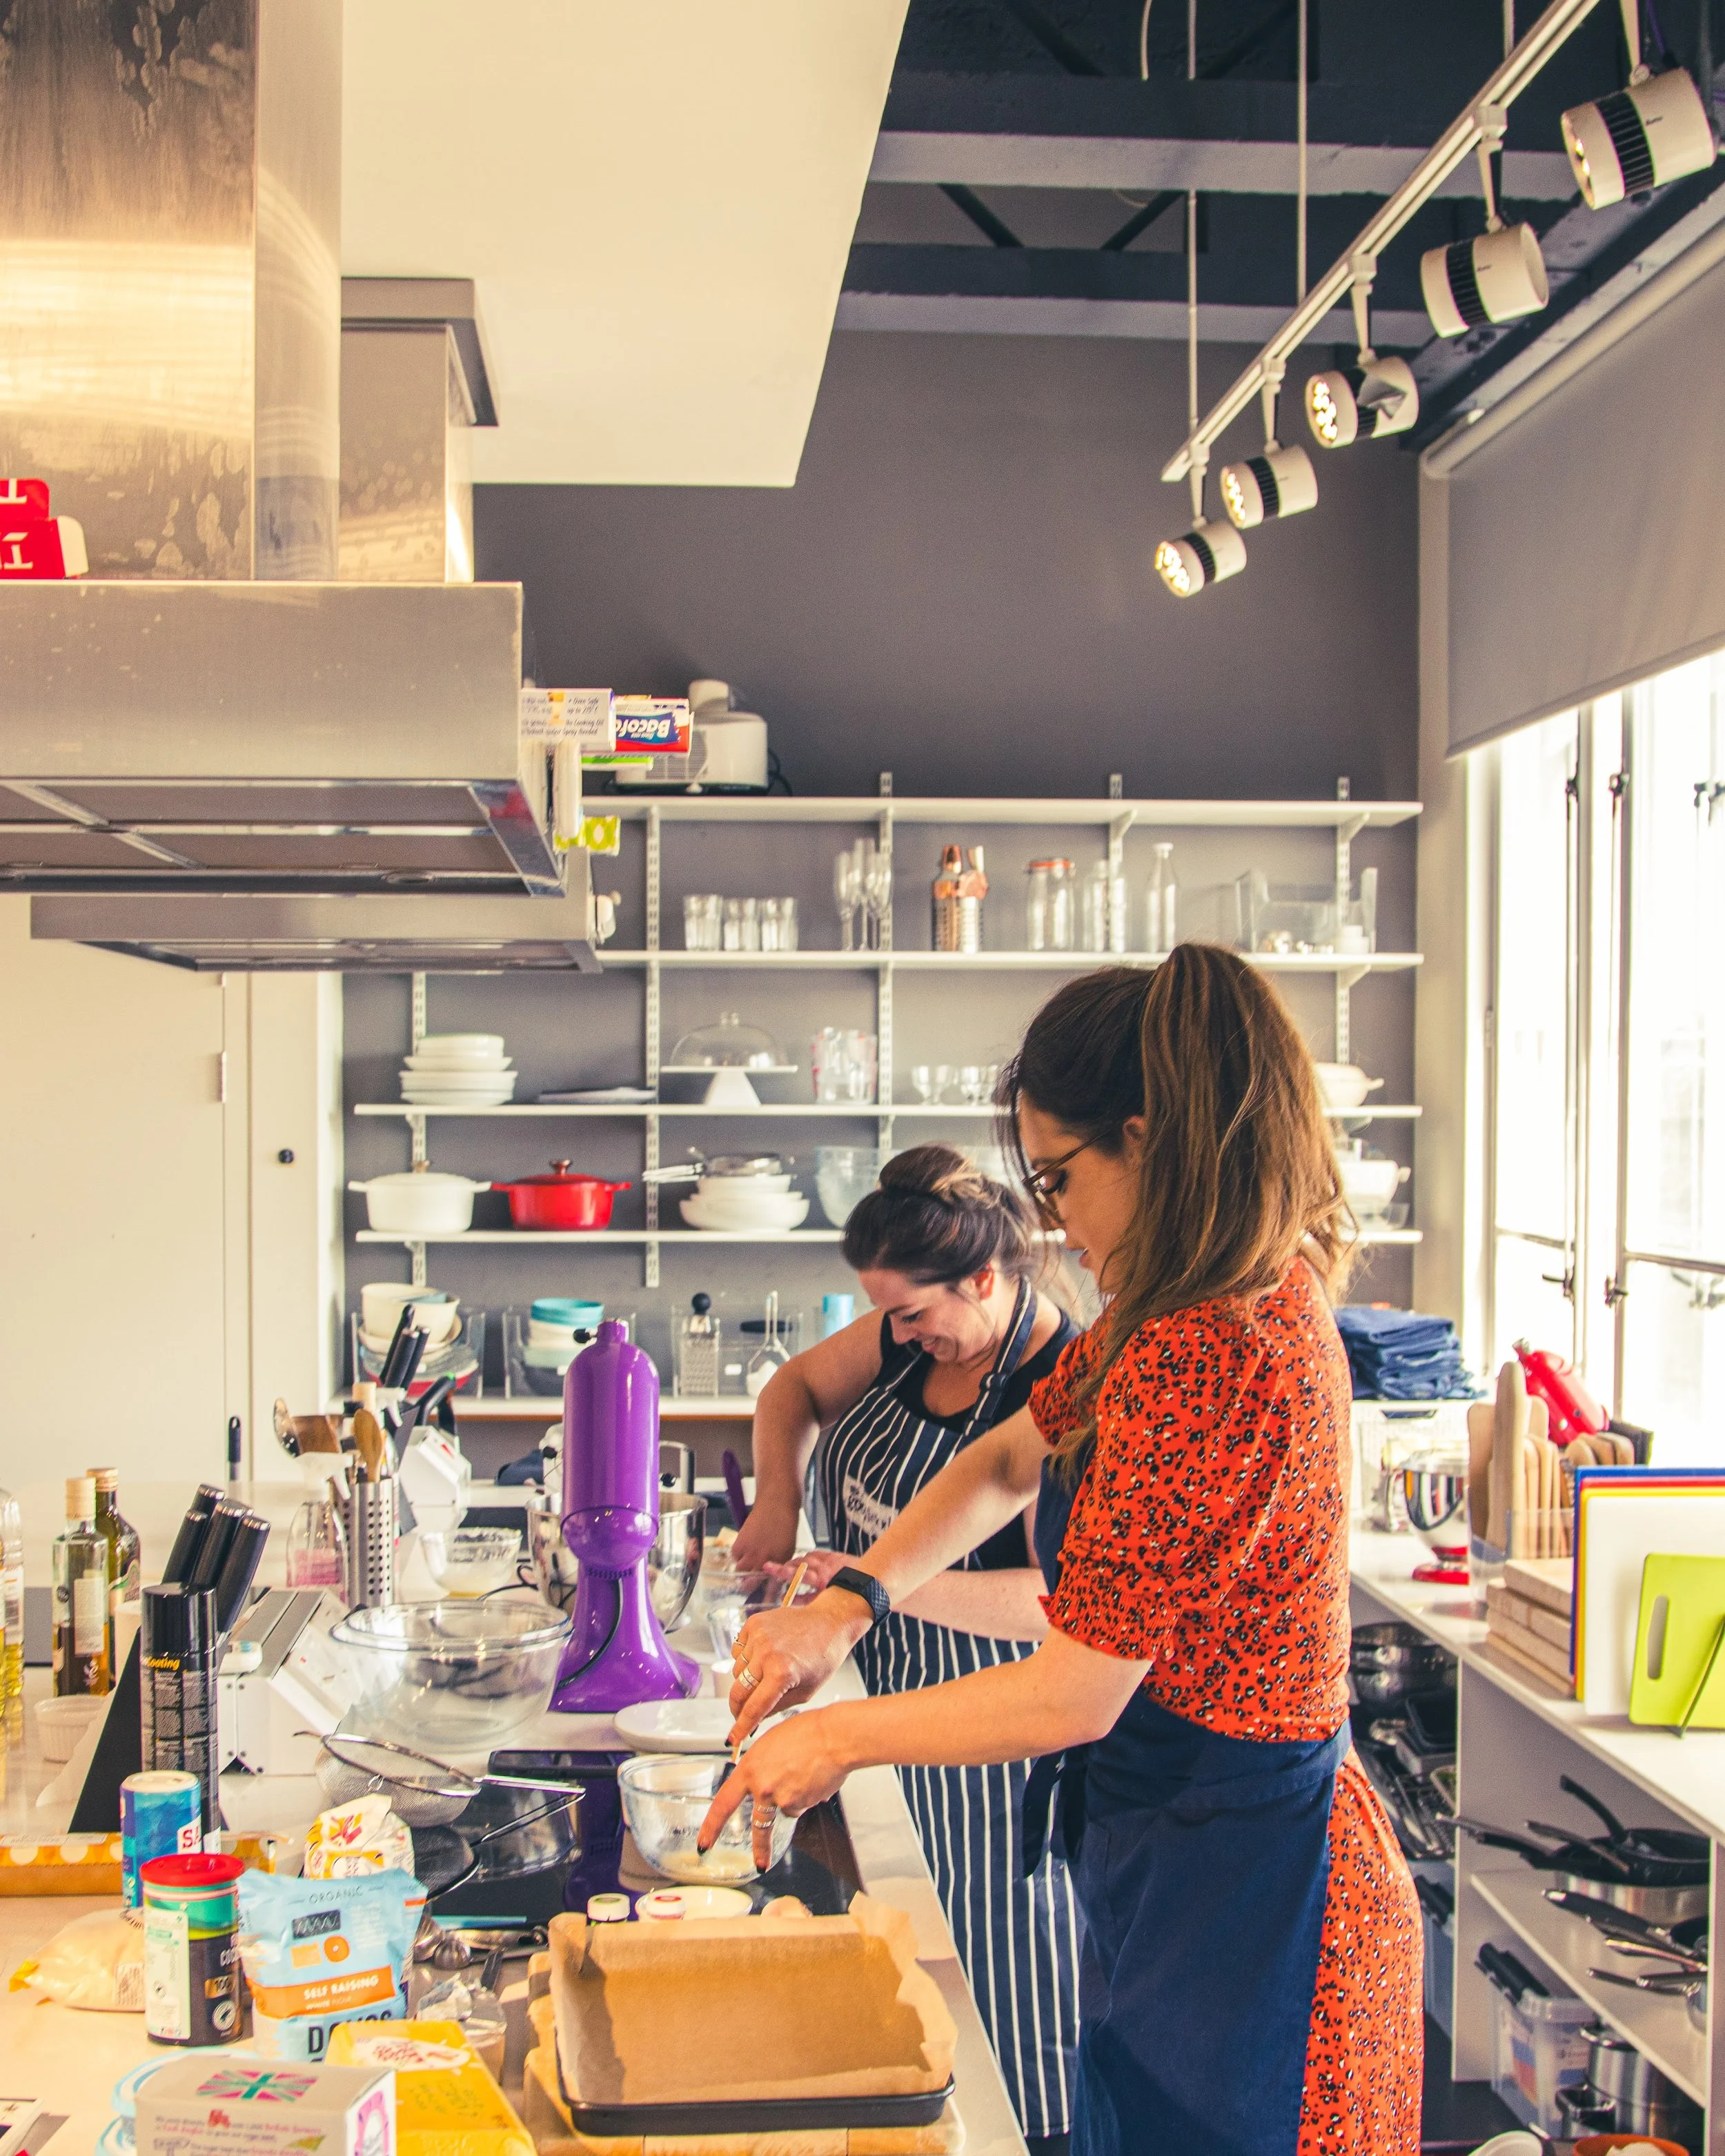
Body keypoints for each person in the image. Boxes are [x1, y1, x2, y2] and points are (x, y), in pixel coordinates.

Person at [702, 949, 1423, 2156]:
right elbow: (1005, 1460)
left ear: (1145, 1140)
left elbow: (1075, 1691)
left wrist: (829, 1738)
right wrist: (858, 1603)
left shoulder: (1218, 1347)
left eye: (1059, 1177)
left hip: (1269, 1909)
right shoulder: (1180, 1313)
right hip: (1190, 1865)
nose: (1052, 1219)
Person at [729, 1145, 1082, 2153]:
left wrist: (875, 1593)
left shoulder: (1066, 1383)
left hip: (995, 1751)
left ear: (988, 1279)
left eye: (918, 1313)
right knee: (896, 1997)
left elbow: (1063, 1606)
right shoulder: (905, 1340)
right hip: (869, 1719)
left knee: (1002, 2009)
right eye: (888, 1314)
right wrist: (777, 1502)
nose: (901, 1333)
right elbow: (790, 1390)